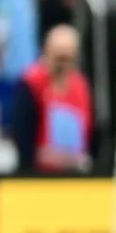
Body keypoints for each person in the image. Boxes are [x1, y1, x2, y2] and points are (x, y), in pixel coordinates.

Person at [13, 24, 95, 174]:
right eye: (59, 58)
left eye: (68, 58)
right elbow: (23, 138)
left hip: (76, 174)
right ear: (47, 52)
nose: (62, 65)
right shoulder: (31, 84)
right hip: (38, 175)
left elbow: (89, 132)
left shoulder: (81, 86)